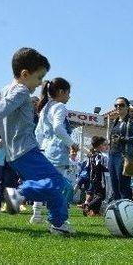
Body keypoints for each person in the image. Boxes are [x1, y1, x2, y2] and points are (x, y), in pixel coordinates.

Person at [0, 47, 73, 235]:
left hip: (14, 155)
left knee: (53, 185)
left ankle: (59, 224)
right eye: (39, 77)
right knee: (57, 181)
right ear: (25, 74)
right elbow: (4, 106)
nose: (40, 83)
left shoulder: (4, 90)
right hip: (26, 151)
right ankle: (18, 195)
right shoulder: (22, 91)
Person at [31, 77, 79, 224]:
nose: (69, 96)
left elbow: (38, 132)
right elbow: (58, 128)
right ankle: (57, 219)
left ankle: (37, 214)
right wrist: (72, 143)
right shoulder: (60, 107)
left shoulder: (45, 108)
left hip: (44, 150)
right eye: (68, 93)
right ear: (61, 92)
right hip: (56, 151)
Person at [107, 97, 133, 218]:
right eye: (116, 105)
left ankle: (128, 215)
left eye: (121, 105)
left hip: (123, 156)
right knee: (115, 186)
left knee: (123, 186)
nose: (118, 108)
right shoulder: (115, 121)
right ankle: (117, 214)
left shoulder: (132, 121)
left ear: (127, 107)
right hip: (112, 155)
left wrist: (124, 139)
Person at [78, 136, 108, 216]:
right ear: (100, 146)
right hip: (99, 178)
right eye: (104, 144)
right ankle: (88, 206)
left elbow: (87, 167)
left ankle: (95, 212)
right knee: (101, 195)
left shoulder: (91, 155)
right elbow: (101, 166)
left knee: (97, 194)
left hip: (92, 178)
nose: (105, 147)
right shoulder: (100, 156)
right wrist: (107, 169)